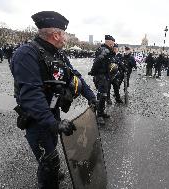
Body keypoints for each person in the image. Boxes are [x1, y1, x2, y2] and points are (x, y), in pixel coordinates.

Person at [10, 11, 96, 189]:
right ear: (56, 35)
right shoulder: (26, 54)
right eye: (64, 34)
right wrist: (53, 123)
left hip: (52, 112)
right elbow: (31, 95)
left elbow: (75, 77)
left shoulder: (58, 54)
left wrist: (91, 96)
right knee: (49, 161)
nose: (65, 38)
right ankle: (48, 179)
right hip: (36, 118)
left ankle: (52, 172)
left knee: (52, 148)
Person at [89, 35, 115, 124]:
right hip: (101, 76)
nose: (113, 44)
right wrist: (93, 73)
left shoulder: (107, 50)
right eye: (112, 43)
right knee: (101, 95)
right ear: (109, 42)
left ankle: (101, 112)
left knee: (104, 95)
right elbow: (96, 62)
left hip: (105, 75)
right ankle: (98, 115)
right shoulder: (104, 50)